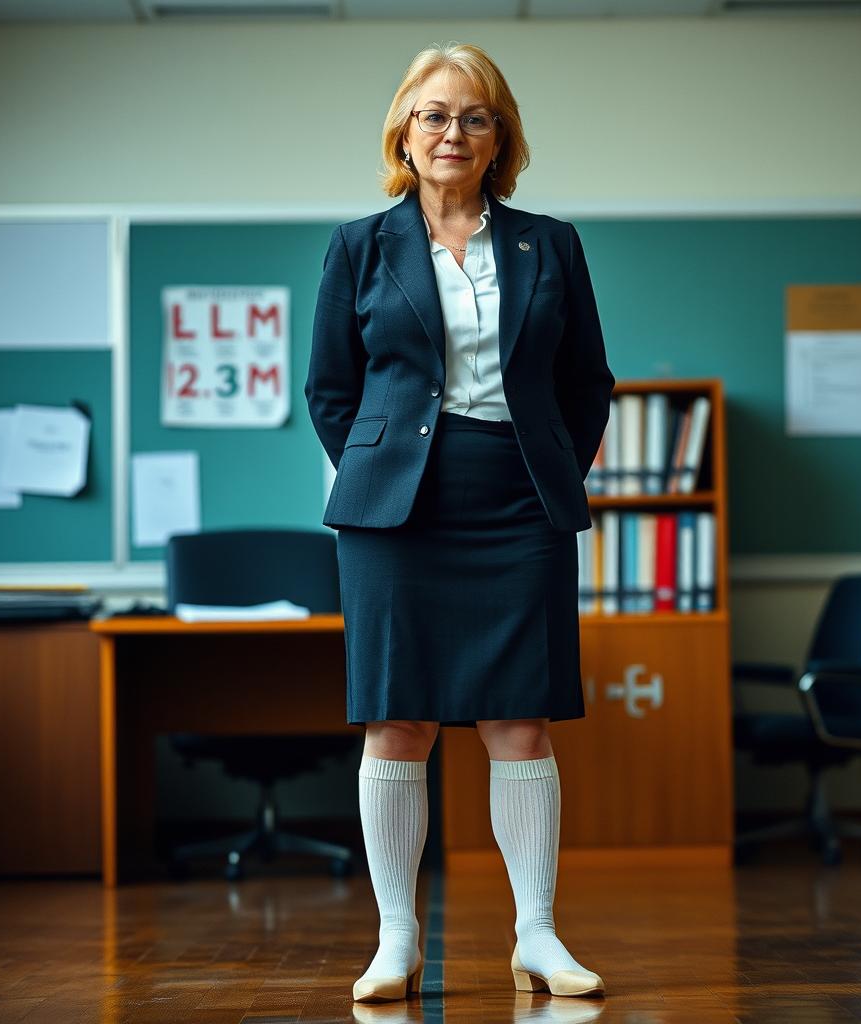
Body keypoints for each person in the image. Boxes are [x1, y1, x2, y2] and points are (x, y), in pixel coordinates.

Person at [304, 41, 614, 1003]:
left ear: (499, 138)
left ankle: (537, 933)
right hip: (397, 507)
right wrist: (382, 464)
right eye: (435, 114)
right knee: (397, 720)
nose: (452, 132)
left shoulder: (548, 244)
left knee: (519, 719)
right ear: (405, 127)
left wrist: (552, 467)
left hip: (517, 495)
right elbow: (329, 390)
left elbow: (585, 386)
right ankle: (397, 938)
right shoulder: (360, 245)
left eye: (474, 117)